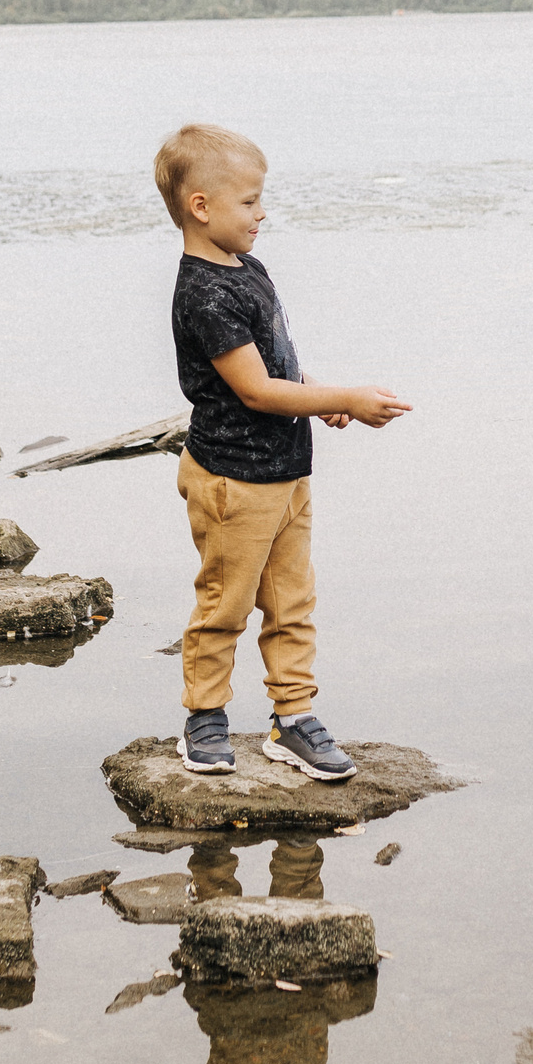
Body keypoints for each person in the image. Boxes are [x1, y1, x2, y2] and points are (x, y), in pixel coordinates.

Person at [158, 123, 410, 780]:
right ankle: (205, 717)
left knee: (292, 603)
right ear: (201, 206)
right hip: (231, 482)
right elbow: (253, 390)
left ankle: (292, 718)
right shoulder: (204, 292)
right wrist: (348, 396)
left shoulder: (248, 270)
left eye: (260, 199)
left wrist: (315, 393)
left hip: (286, 474)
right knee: (225, 605)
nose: (261, 212)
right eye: (248, 201)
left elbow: (275, 369)